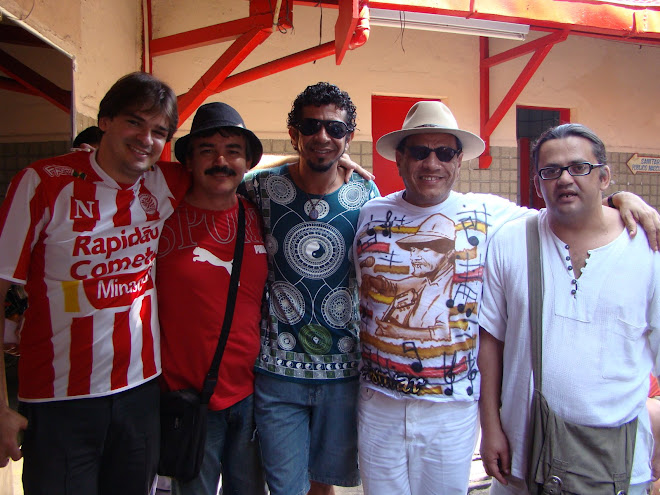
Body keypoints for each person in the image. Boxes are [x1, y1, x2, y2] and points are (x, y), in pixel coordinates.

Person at [352, 101, 660, 495]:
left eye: (444, 152)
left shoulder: (493, 214)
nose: (432, 162)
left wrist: (620, 199)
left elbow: (567, 207)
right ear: (400, 157)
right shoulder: (369, 213)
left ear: (458, 160)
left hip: (453, 408)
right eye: (419, 151)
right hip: (378, 401)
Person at [0, 71, 189, 494]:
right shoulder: (41, 183)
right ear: (104, 120)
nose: (146, 138)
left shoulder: (165, 182)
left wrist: (344, 170)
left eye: (159, 131)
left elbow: (235, 171)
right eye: (134, 122)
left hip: (140, 392)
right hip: (58, 399)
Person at [478, 123, 660, 495]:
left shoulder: (647, 248)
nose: (564, 179)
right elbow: (490, 340)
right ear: (537, 183)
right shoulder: (511, 240)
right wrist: (491, 425)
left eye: (579, 168)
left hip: (616, 464)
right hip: (522, 458)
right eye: (551, 171)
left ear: (605, 176)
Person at [240, 82, 379, 495]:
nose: (323, 137)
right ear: (293, 131)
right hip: (278, 370)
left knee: (324, 487)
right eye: (311, 127)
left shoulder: (365, 195)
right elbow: (226, 178)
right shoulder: (262, 188)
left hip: (343, 371)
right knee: (285, 487)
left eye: (335, 130)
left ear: (349, 137)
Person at [156, 102, 267, 495]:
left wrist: (345, 167)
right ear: (187, 161)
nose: (221, 161)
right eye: (207, 151)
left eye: (233, 151)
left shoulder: (259, 213)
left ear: (247, 161)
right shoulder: (159, 220)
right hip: (189, 402)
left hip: (253, 396)